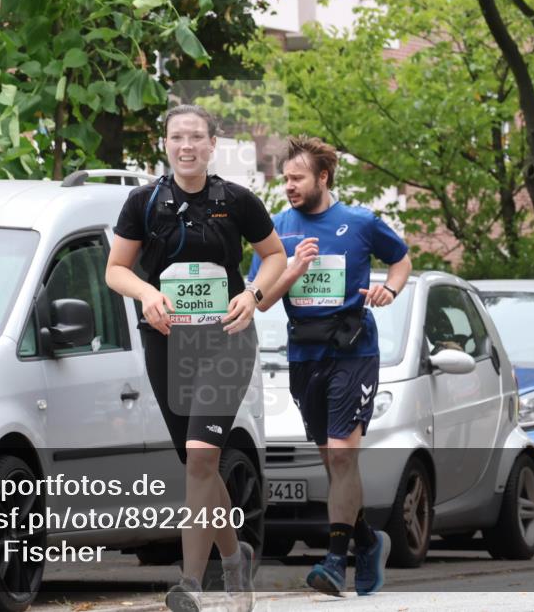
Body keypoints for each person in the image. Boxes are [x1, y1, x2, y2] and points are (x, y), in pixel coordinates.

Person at [106, 104, 286, 612]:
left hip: (226, 339)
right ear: (164, 145)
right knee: (197, 465)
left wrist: (251, 295)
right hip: (167, 342)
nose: (186, 146)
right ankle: (235, 555)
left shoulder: (236, 200)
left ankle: (189, 583)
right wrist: (145, 293)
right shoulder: (142, 203)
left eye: (195, 138)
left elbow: (276, 256)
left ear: (212, 145)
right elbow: (115, 270)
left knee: (204, 458)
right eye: (176, 138)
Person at [249, 136, 412, 596]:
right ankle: (367, 542)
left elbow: (400, 260)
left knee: (343, 455)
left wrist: (390, 290)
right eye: (285, 179)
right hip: (304, 354)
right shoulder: (276, 228)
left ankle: (334, 561)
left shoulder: (360, 222)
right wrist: (293, 271)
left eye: (298, 178)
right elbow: (260, 302)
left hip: (353, 350)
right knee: (332, 462)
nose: (289, 187)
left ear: (323, 177)